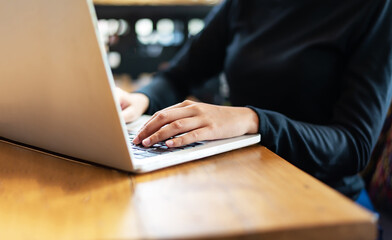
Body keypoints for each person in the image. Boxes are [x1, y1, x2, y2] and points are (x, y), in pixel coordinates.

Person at [116, 0, 392, 200]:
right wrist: (140, 99)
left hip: (319, 195)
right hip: (242, 180)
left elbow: (354, 146)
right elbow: (179, 75)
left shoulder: (376, 9)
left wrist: (253, 120)